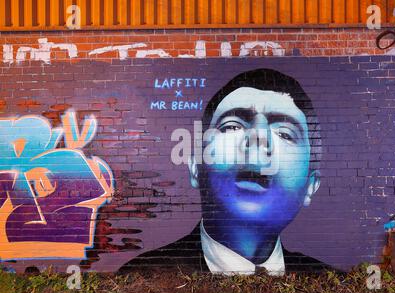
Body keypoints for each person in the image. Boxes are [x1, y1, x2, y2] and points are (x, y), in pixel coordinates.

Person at [122, 69, 330, 275]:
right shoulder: (141, 277)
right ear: (196, 167)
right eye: (232, 126)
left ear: (310, 186)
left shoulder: (327, 283)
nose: (258, 137)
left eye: (285, 134)